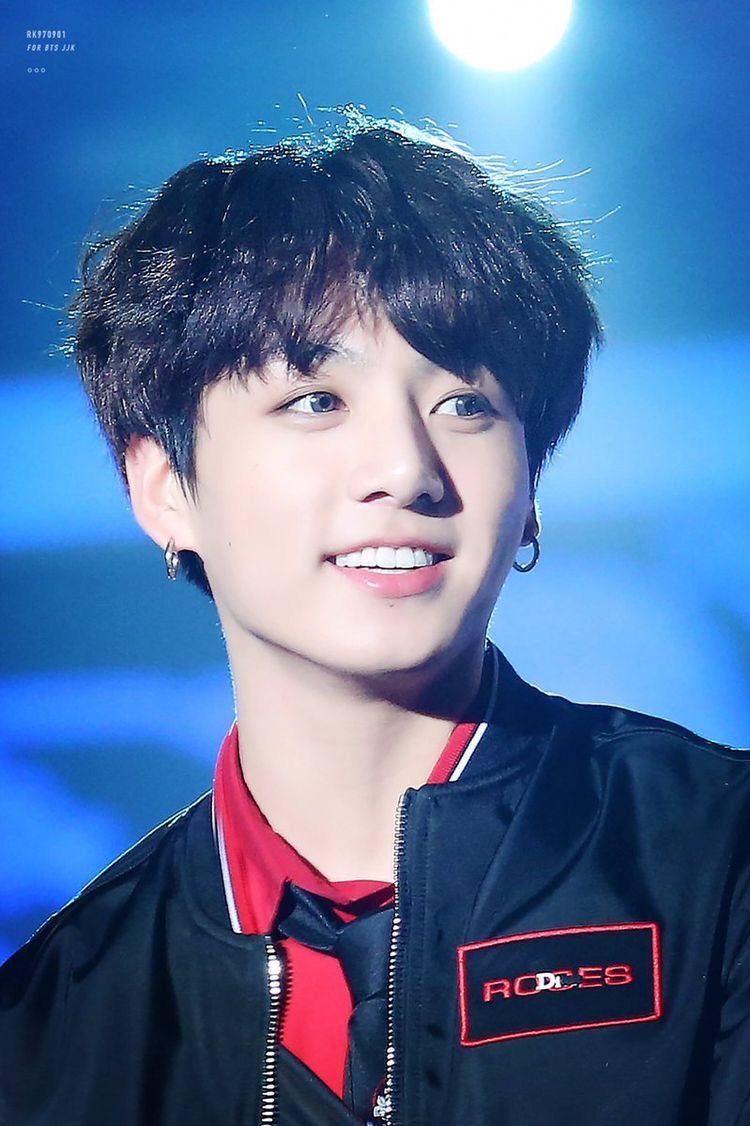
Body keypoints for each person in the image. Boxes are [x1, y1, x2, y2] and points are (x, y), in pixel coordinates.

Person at [1, 114, 748, 1126]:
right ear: (165, 486)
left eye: (466, 403)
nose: (405, 467)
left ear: (531, 486)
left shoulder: (716, 862)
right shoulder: (55, 1026)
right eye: (316, 400)